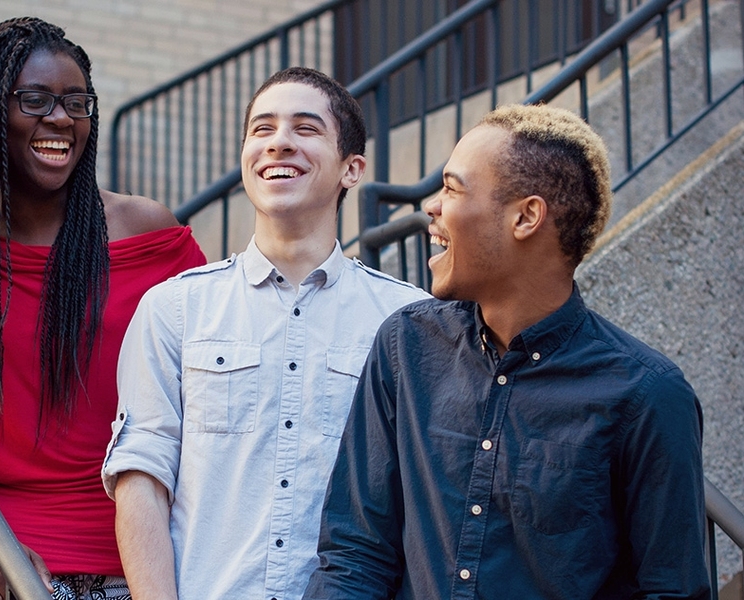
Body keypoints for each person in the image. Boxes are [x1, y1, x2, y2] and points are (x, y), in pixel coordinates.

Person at [302, 104, 710, 599]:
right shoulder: (405, 346)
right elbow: (355, 554)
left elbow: (672, 590)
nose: (431, 206)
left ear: (526, 217)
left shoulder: (647, 396)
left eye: (452, 188)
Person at [0, 17, 206, 600]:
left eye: (75, 101)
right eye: (34, 99)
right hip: (7, 558)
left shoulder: (149, 233)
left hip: (145, 553)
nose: (60, 118)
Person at [101, 66, 430, 600]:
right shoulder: (174, 308)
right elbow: (142, 476)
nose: (279, 143)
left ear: (352, 169)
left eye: (305, 129)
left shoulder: (407, 320)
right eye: (262, 129)